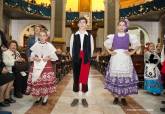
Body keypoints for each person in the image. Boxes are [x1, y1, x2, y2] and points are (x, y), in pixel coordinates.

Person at [104, 19, 140, 106]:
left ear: (126, 27)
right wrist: (110, 52)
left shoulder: (129, 36)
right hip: (116, 58)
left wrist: (131, 52)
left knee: (124, 77)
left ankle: (123, 97)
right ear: (117, 26)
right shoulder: (113, 36)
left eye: (123, 25)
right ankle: (116, 96)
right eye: (120, 25)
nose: (121, 27)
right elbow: (105, 44)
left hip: (125, 58)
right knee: (116, 77)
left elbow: (137, 44)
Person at [26, 30, 58, 105]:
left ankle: (45, 97)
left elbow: (54, 56)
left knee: (45, 82)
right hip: (37, 65)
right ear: (39, 37)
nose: (42, 37)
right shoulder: (36, 45)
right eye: (41, 35)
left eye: (44, 35)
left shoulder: (49, 45)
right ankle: (39, 96)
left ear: (47, 37)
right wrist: (34, 58)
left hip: (46, 65)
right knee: (38, 81)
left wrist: (48, 57)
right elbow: (32, 55)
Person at [70, 17, 94, 107]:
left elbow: (91, 48)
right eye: (81, 22)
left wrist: (88, 57)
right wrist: (74, 58)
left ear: (86, 24)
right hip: (76, 58)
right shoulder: (74, 35)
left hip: (86, 58)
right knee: (76, 78)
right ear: (78, 24)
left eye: (84, 22)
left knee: (84, 79)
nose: (82, 24)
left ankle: (84, 98)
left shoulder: (89, 35)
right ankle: (76, 98)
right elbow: (71, 48)